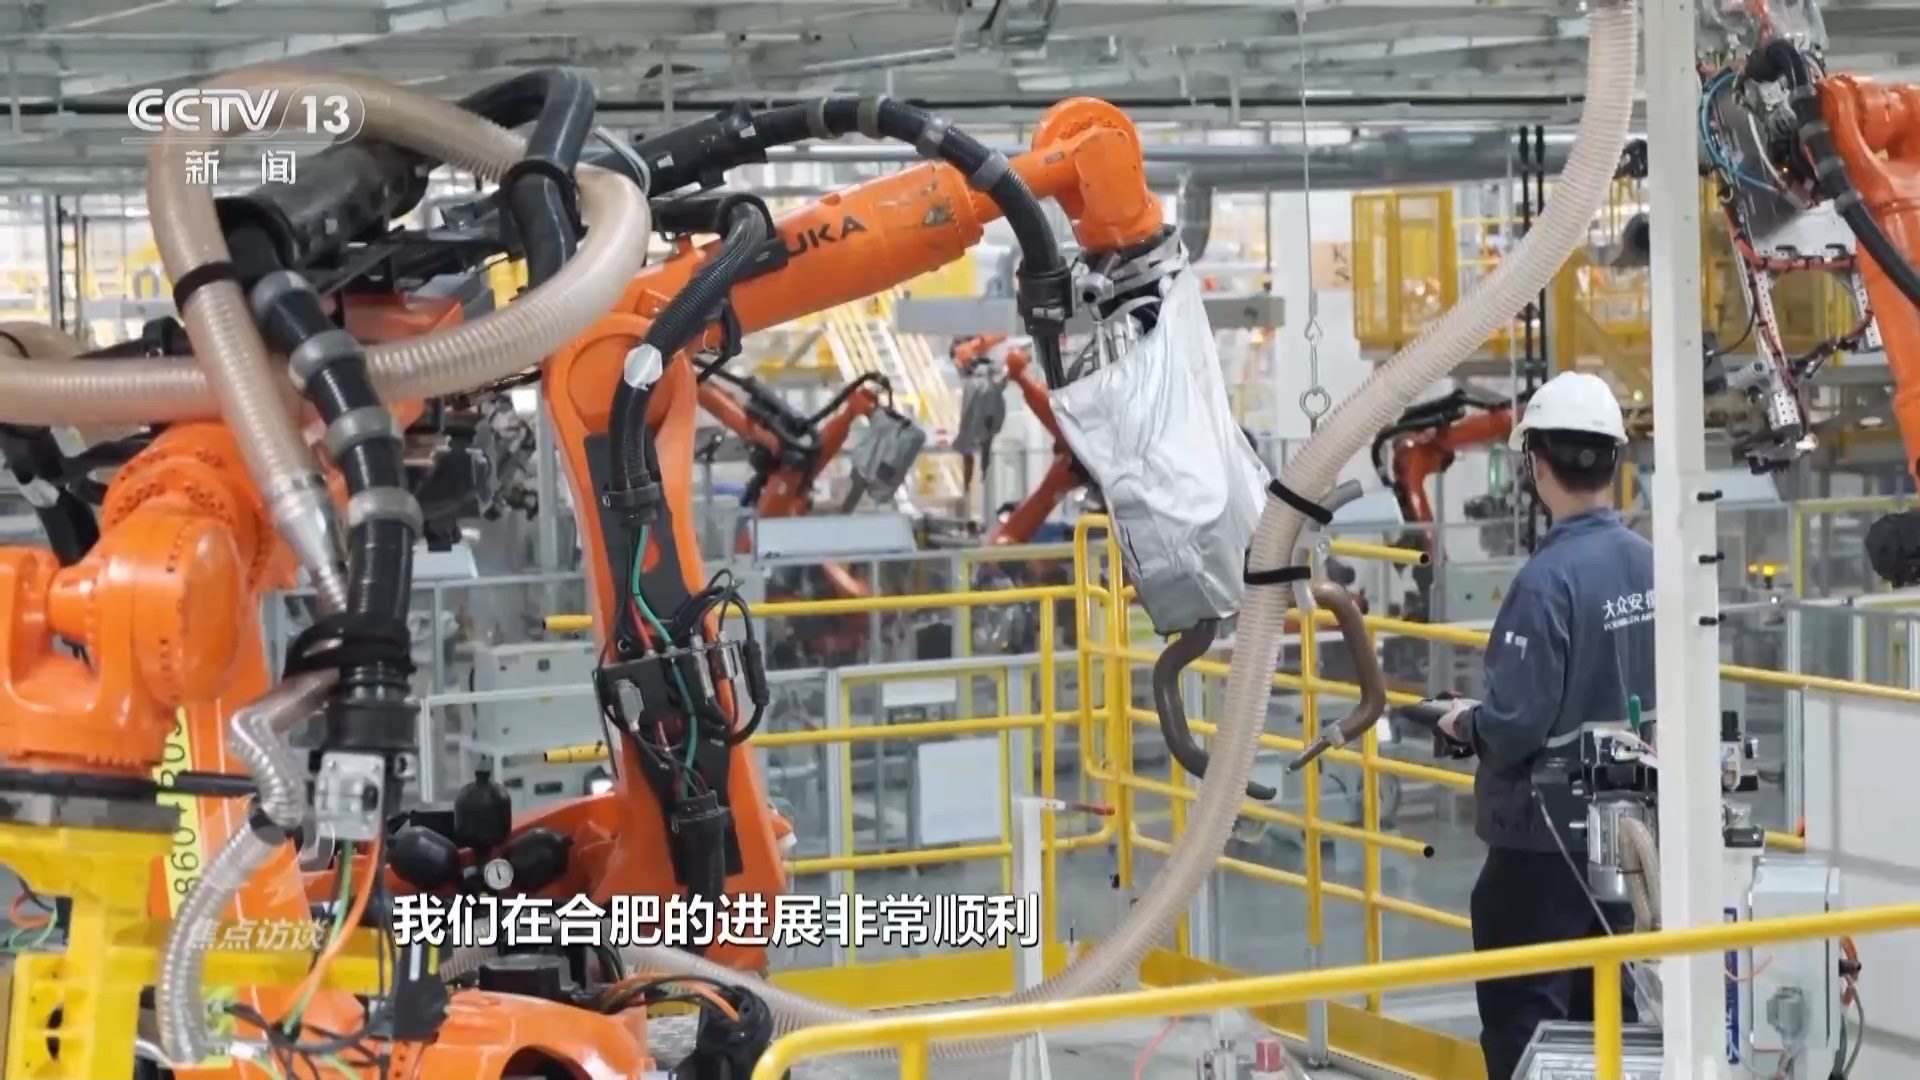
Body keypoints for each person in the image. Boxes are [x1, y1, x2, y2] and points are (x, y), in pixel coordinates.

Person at [1429, 371, 1654, 1079]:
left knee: (1525, 1020)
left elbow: (1517, 725)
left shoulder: (1546, 581)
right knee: (1608, 1013)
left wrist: (1466, 722)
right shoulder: (1650, 565)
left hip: (1541, 843)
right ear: (1613, 459)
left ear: (1535, 463)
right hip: (1627, 838)